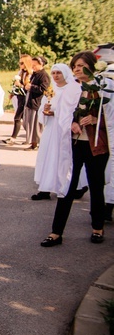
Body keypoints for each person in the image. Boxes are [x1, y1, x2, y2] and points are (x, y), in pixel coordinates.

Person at [41, 51, 109, 247]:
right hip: (74, 144)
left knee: (96, 186)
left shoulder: (101, 88)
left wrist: (96, 120)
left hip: (96, 145)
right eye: (75, 66)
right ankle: (56, 232)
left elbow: (110, 118)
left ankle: (97, 227)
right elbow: (63, 113)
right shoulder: (71, 89)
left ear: (91, 65)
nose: (77, 69)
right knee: (67, 185)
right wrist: (72, 123)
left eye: (81, 65)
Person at [31, 64, 82, 200]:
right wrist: (45, 111)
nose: (56, 76)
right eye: (53, 73)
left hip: (64, 128)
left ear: (65, 73)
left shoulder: (73, 90)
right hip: (51, 129)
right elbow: (43, 109)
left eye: (59, 72)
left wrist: (56, 113)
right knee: (48, 156)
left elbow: (73, 110)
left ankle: (70, 187)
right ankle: (45, 188)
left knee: (64, 157)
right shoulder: (51, 90)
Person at [2, 54, 33, 145]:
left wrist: (20, 85)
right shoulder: (21, 72)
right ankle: (31, 137)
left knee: (17, 117)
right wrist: (13, 92)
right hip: (20, 97)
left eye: (22, 63)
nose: (20, 65)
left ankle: (13, 138)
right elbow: (16, 85)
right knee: (23, 119)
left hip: (25, 98)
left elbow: (27, 88)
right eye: (20, 63)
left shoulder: (30, 74)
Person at [22, 56, 50, 150]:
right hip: (30, 102)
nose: (32, 67)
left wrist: (31, 87)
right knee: (29, 124)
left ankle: (37, 144)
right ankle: (33, 143)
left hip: (37, 103)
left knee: (36, 126)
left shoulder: (44, 75)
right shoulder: (34, 74)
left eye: (34, 65)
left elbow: (43, 89)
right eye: (32, 65)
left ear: (41, 64)